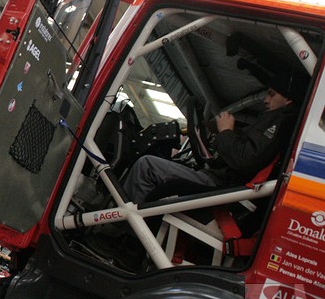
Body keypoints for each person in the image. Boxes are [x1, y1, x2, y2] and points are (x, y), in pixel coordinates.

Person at [123, 74, 303, 205]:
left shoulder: (280, 121)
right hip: (220, 179)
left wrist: (226, 131)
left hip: (221, 184)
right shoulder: (275, 120)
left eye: (272, 94)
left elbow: (246, 159)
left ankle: (124, 229)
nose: (266, 100)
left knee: (146, 166)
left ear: (288, 99)